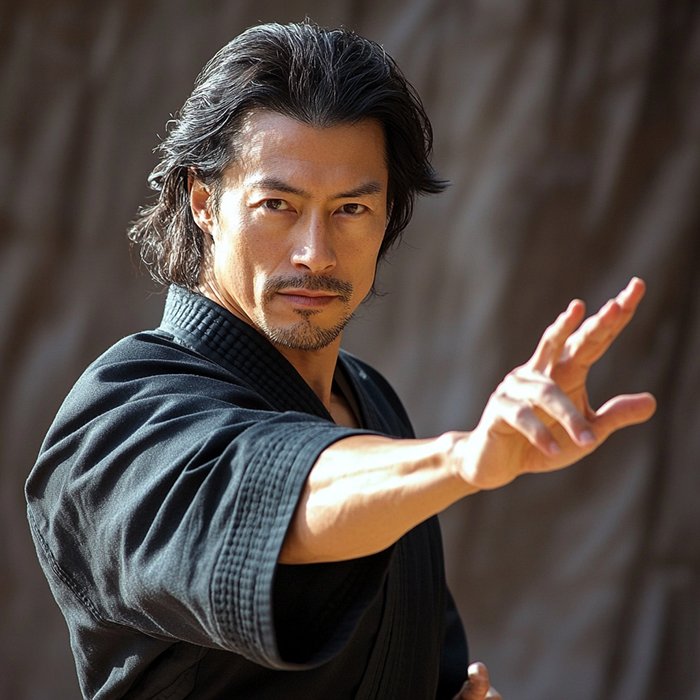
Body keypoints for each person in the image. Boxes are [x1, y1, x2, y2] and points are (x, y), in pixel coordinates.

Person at [25, 20, 655, 700]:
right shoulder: (122, 413)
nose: (315, 254)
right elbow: (277, 493)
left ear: (390, 215)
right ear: (204, 202)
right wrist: (461, 459)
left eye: (351, 208)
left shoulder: (371, 404)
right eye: (277, 205)